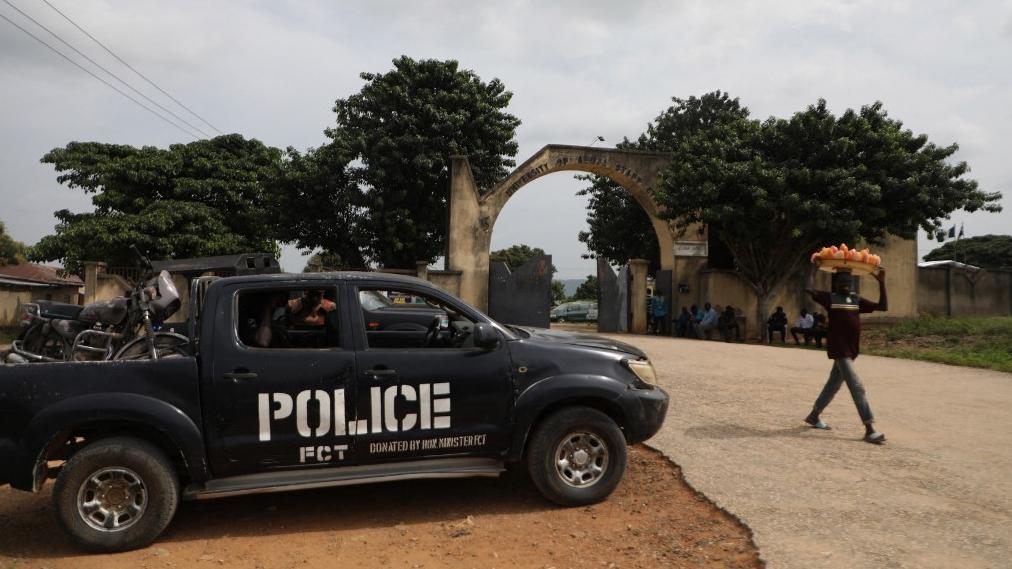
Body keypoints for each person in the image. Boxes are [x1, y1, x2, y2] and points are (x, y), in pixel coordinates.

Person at [804, 269, 888, 444]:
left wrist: (881, 282)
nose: (846, 284)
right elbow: (808, 289)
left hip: (851, 350)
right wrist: (814, 268)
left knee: (832, 384)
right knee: (857, 387)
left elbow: (882, 306)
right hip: (839, 350)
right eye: (842, 281)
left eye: (849, 281)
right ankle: (869, 428)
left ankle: (814, 415)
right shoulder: (830, 298)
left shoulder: (856, 300)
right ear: (835, 284)